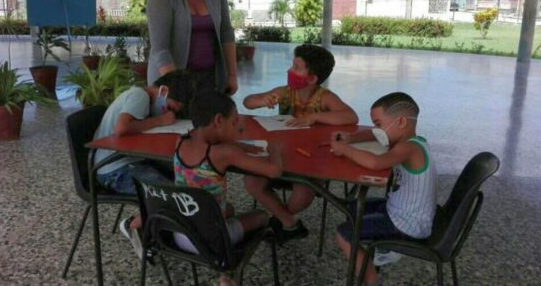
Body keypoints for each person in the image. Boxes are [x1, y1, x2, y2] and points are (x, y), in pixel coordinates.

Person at [243, 44, 358, 242]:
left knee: (302, 194)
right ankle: (287, 222)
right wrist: (262, 100)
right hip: (280, 156)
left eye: (296, 67)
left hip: (311, 161)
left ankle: (280, 219)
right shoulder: (285, 92)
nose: (290, 71)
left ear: (312, 78)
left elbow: (351, 116)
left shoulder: (324, 98)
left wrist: (314, 117)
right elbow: (247, 102)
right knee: (251, 182)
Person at [173, 90, 283, 286]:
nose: (236, 128)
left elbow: (216, 142)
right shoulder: (225, 153)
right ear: (218, 120)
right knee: (261, 216)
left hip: (180, 233)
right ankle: (228, 272)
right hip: (212, 240)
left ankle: (225, 259)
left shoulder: (180, 141)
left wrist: (240, 145)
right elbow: (274, 171)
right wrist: (275, 150)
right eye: (234, 123)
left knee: (229, 209)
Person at [330, 92, 437, 286]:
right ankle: (373, 248)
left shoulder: (408, 149)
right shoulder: (410, 141)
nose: (376, 129)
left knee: (344, 233)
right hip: (403, 212)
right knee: (353, 209)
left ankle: (372, 281)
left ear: (401, 121)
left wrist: (345, 149)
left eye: (379, 124)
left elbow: (376, 163)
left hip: (407, 225)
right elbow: (374, 135)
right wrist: (351, 139)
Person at [92, 72, 182, 256]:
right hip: (114, 169)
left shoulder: (140, 97)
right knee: (173, 196)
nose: (168, 111)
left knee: (180, 176)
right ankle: (133, 224)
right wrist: (160, 120)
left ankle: (164, 227)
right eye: (170, 106)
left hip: (126, 161)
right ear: (163, 91)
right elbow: (122, 129)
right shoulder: (139, 96)